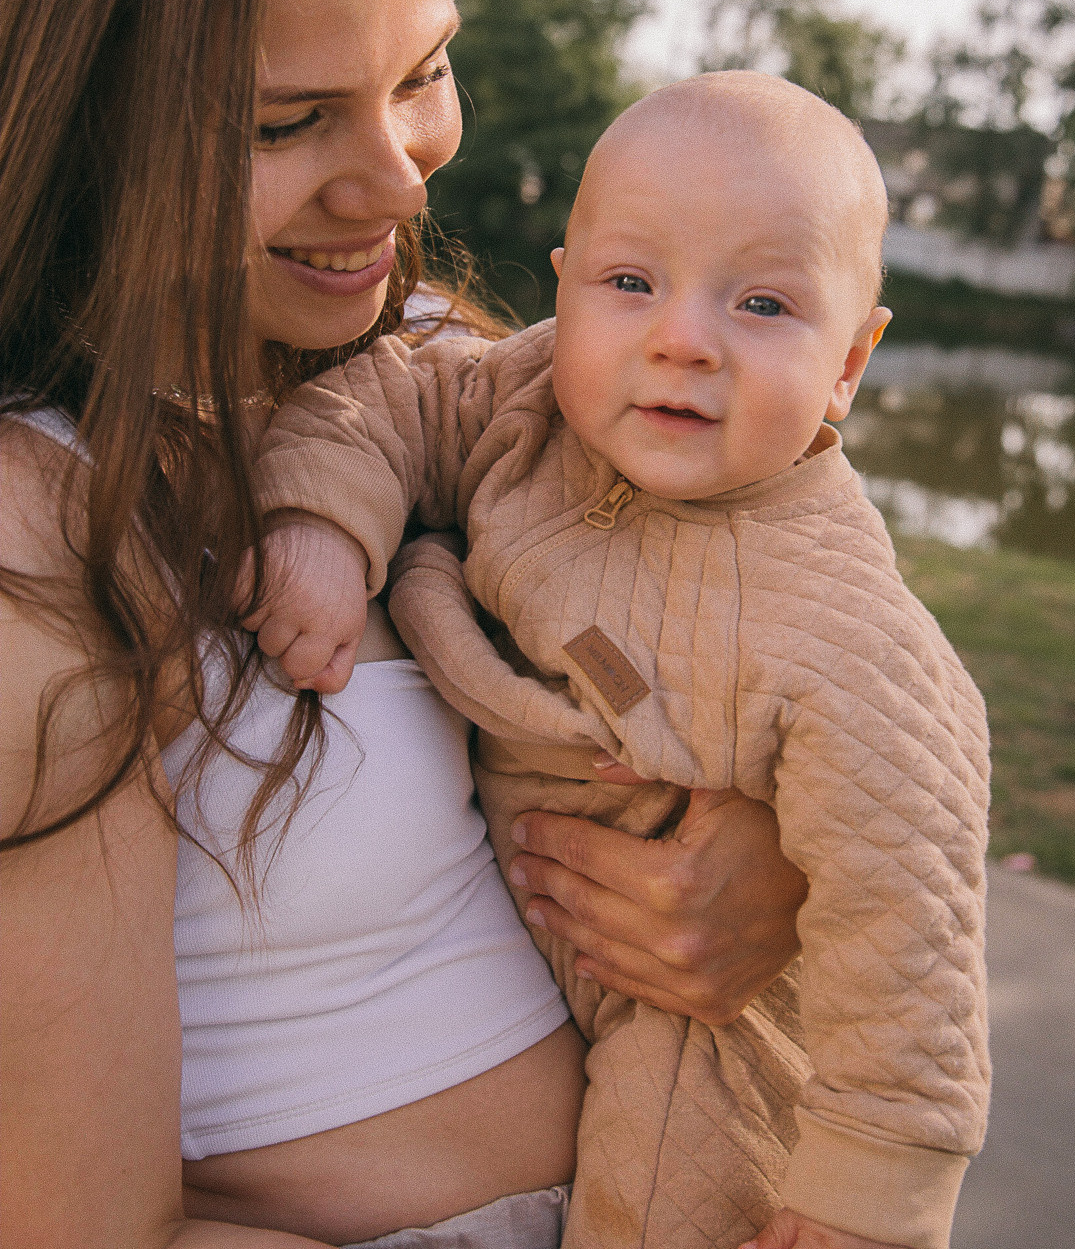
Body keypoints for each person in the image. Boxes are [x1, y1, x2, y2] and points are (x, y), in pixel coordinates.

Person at [0, 0, 811, 1249]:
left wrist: (771, 870)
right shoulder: (43, 534)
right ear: (69, 109)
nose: (396, 178)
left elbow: (782, 643)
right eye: (279, 122)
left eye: (421, 74)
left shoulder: (440, 369)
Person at [246, 73, 992, 1249]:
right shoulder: (525, 398)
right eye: (630, 283)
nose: (681, 339)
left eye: (761, 304)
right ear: (563, 289)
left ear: (850, 361)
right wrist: (323, 530)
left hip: (700, 1034)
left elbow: (909, 938)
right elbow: (380, 403)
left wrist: (871, 1198)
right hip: (525, 953)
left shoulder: (849, 637)